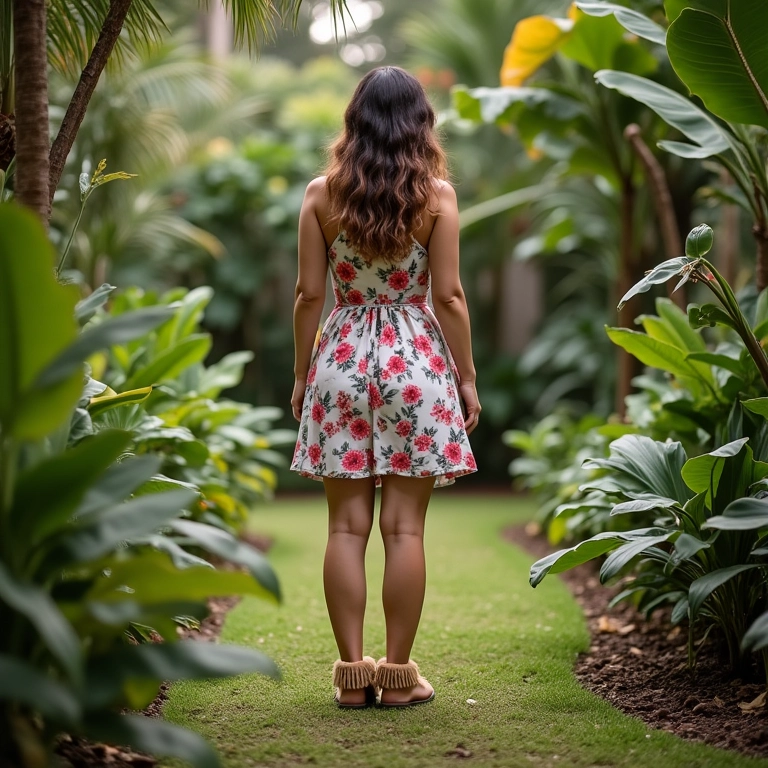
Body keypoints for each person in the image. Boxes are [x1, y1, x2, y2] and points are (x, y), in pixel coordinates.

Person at [289, 65, 480, 709]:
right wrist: (467, 377)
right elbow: (448, 296)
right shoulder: (437, 197)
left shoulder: (321, 195)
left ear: (354, 122)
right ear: (420, 125)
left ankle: (352, 677)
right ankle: (397, 678)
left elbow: (308, 295)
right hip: (415, 366)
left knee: (345, 529)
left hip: (340, 361)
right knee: (404, 531)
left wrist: (301, 375)